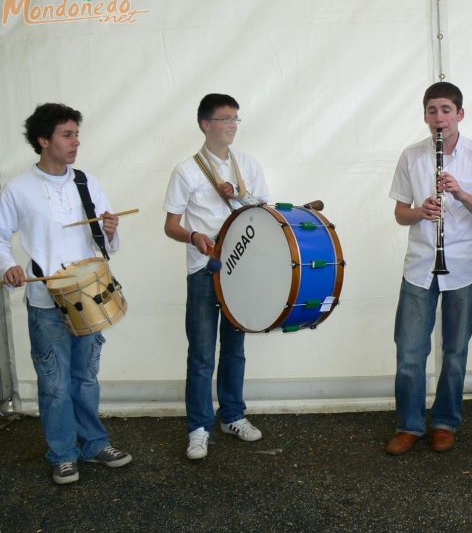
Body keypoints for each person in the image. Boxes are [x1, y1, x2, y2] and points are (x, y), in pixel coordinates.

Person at [0, 103, 132, 485]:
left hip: (90, 297)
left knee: (86, 377)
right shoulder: (18, 189)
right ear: (44, 141)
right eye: (67, 135)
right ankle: (62, 454)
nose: (76, 142)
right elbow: (1, 238)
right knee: (54, 383)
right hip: (45, 300)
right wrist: (7, 265)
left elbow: (109, 242)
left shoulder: (87, 183)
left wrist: (109, 229)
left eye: (76, 134)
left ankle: (93, 444)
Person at [386, 81, 472, 455]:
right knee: (409, 351)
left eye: (446, 110)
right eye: (432, 111)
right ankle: (409, 424)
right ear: (424, 115)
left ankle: (445, 422)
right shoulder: (411, 156)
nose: (439, 118)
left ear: (460, 114)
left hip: (463, 266)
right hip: (421, 265)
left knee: (455, 351)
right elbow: (400, 213)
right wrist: (421, 211)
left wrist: (461, 194)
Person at [163, 93, 270, 460]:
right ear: (205, 124)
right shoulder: (187, 171)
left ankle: (233, 415)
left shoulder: (248, 165)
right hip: (203, 270)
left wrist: (240, 193)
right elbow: (171, 225)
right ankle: (198, 427)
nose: (232, 126)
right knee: (202, 352)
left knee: (235, 349)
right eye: (225, 119)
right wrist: (194, 236)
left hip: (240, 269)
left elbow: (264, 211)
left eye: (236, 119)